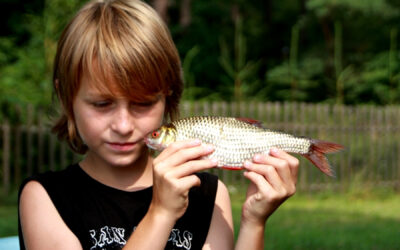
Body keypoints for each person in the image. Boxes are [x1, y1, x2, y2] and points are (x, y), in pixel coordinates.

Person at [18, 0, 299, 249]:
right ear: (68, 99)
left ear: (168, 96)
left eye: (142, 104)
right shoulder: (46, 198)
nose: (124, 125)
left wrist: (254, 222)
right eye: (102, 104)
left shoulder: (207, 195)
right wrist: (161, 213)